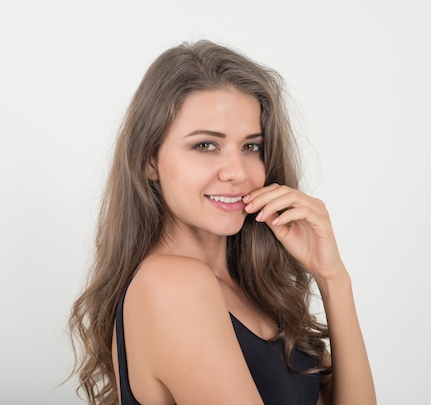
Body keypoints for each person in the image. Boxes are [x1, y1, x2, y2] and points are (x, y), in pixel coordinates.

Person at [69, 40, 376, 405]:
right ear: (149, 160)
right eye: (205, 146)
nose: (237, 172)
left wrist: (333, 278)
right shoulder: (171, 285)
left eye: (251, 147)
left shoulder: (255, 288)